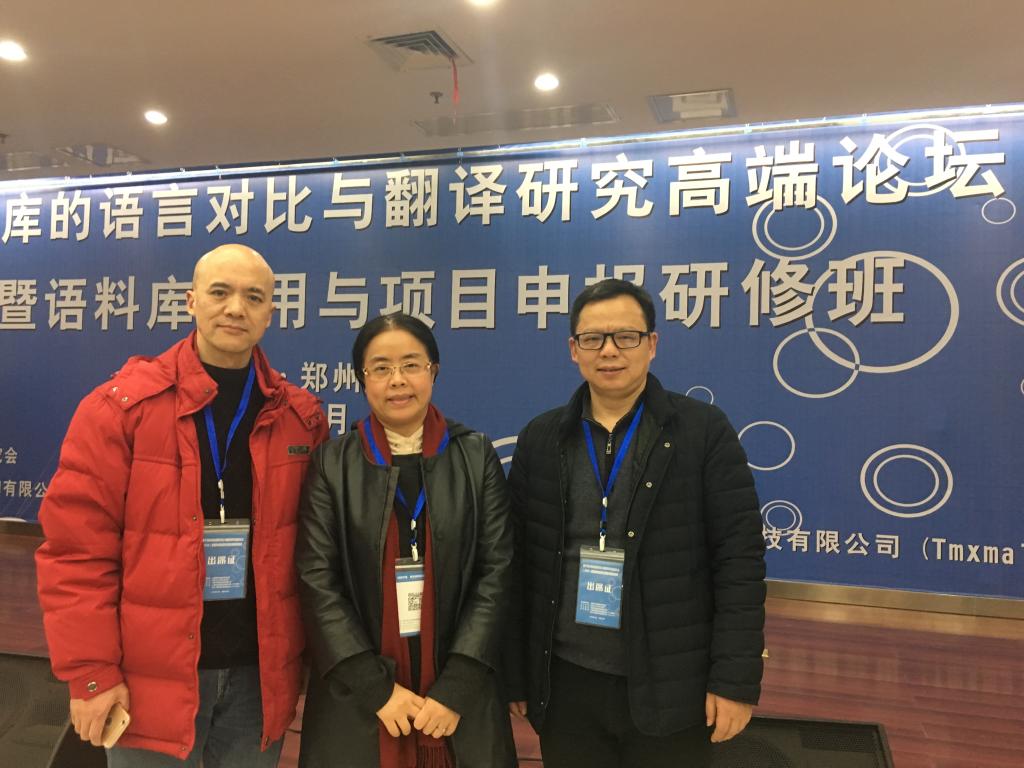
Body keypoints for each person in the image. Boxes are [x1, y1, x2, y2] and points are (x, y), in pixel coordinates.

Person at [35, 244, 328, 766]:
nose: (235, 308)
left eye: (253, 297)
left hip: (258, 682)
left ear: (270, 313)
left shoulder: (299, 418)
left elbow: (315, 554)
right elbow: (76, 553)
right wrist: (91, 674)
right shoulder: (119, 410)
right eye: (220, 292)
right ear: (191, 301)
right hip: (150, 684)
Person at [503, 279, 766, 768]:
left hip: (671, 682)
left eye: (626, 336)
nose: (609, 351)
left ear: (652, 344)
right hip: (565, 683)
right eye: (592, 338)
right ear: (573, 350)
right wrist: (516, 673)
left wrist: (734, 680)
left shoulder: (703, 432)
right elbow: (518, 564)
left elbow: (739, 561)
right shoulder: (541, 438)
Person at [295, 313, 516, 768]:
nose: (397, 380)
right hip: (358, 697)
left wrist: (458, 685)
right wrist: (374, 687)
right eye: (381, 368)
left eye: (411, 365)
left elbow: (497, 572)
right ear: (362, 379)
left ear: (434, 371)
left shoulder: (475, 456)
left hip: (459, 697)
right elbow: (317, 579)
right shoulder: (332, 463)